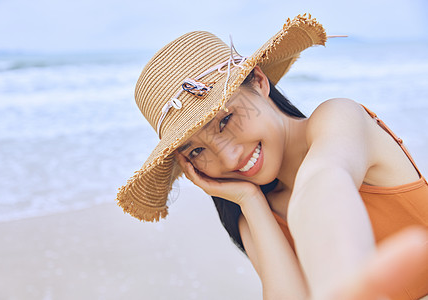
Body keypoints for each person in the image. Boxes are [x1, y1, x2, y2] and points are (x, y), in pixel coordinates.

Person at [117, 14, 428, 300]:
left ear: (260, 81)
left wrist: (346, 281)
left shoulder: (338, 118)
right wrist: (250, 202)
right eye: (196, 150)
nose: (229, 158)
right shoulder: (252, 215)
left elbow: (324, 180)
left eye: (225, 120)